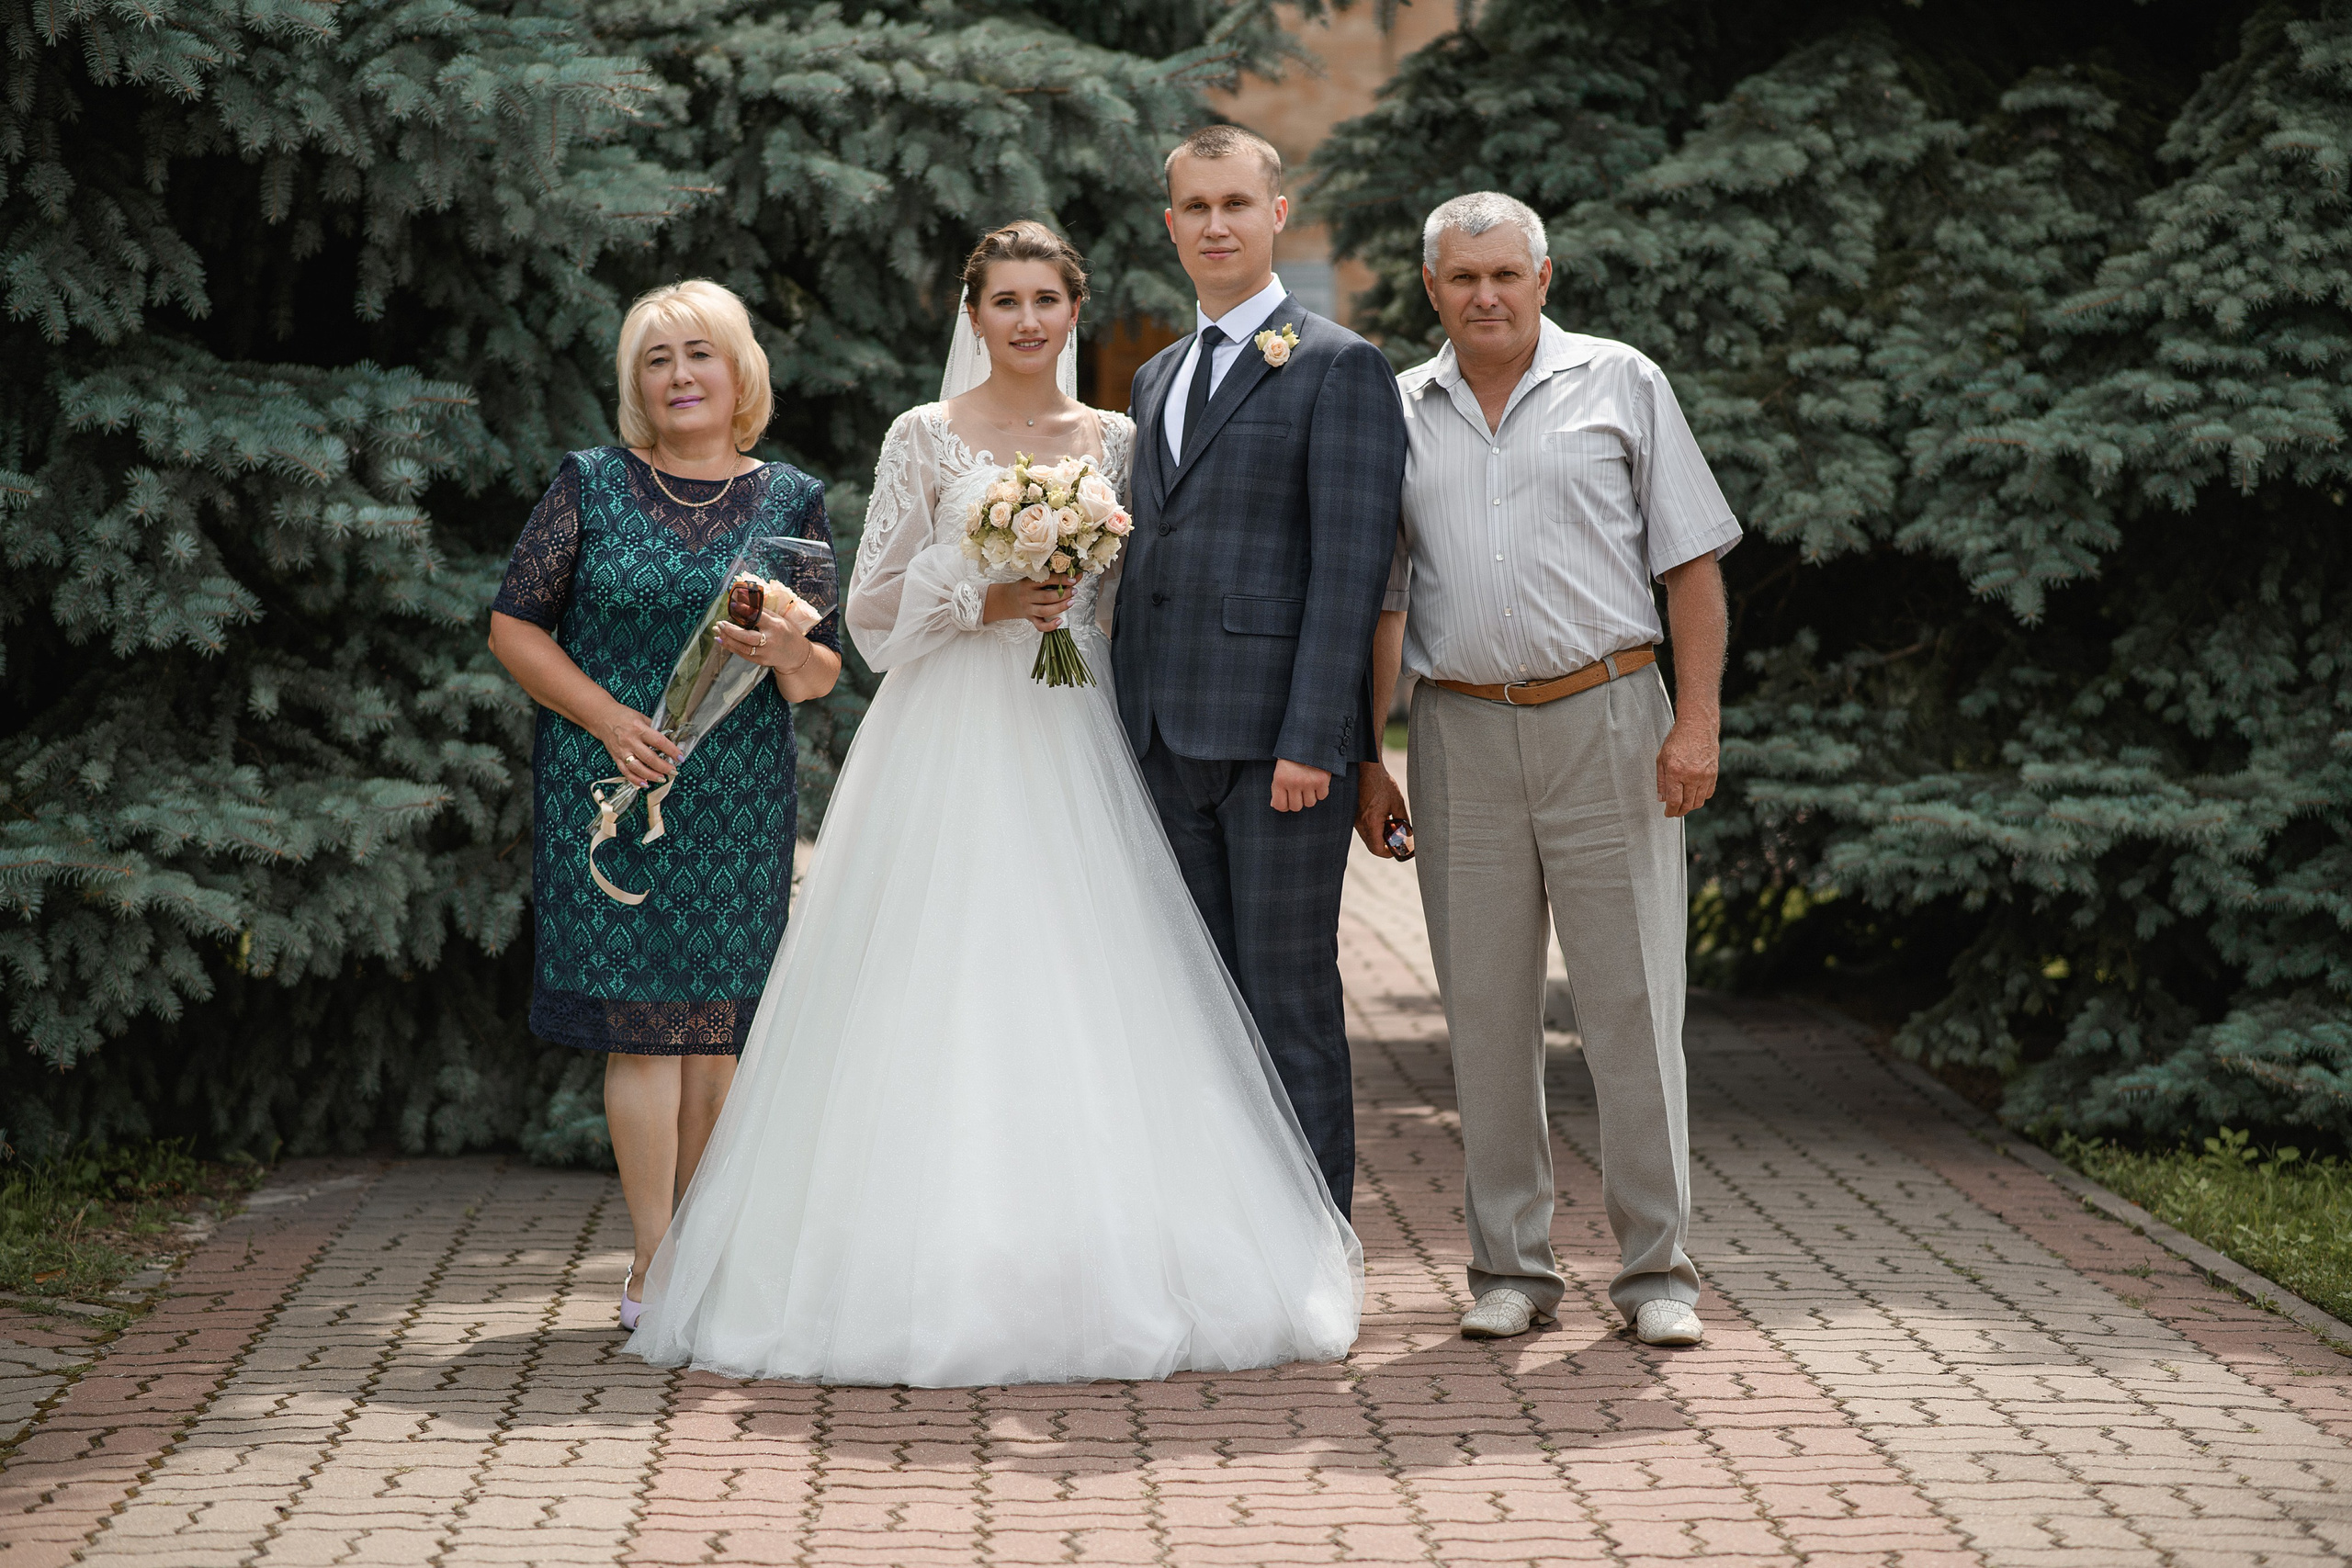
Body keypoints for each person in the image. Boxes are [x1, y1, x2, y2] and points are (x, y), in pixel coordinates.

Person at [624, 221, 1362, 1387]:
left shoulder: (1120, 439)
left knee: (1092, 979)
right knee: (942, 975)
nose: (1025, 319)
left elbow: (1139, 601)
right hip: (949, 732)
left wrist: (1066, 601)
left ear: (1075, 312)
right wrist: (985, 591)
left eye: (1046, 300)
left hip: (1078, 731)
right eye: (1004, 300)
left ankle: (1105, 1252)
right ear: (973, 315)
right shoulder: (924, 436)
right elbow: (867, 620)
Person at [1361, 192, 1736, 1348]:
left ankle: (1655, 1270)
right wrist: (1368, 753)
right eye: (1462, 277)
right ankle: (1510, 1270)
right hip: (1458, 732)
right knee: (1484, 1011)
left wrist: (1697, 725)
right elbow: (1382, 599)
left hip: (1611, 719)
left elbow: (1691, 570)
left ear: (1544, 278)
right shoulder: (1396, 410)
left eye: (1504, 275)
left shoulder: (1622, 382)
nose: (1485, 295)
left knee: (1631, 1003)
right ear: (1433, 289)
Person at [487, 279, 842, 1332]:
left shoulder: (791, 500)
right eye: (657, 359)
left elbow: (818, 675)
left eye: (699, 354)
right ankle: (654, 1262)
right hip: (612, 786)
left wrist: (784, 647)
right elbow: (515, 627)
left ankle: (705, 1243)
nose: (680, 376)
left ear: (740, 371)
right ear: (636, 382)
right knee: (644, 1032)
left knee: (718, 1032)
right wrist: (607, 721)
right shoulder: (590, 486)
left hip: (736, 795)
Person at [1114, 126, 1406, 1219]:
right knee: (1193, 1007)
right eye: (1194, 207)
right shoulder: (1154, 374)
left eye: (1235, 203)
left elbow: (1349, 571)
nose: (1215, 225)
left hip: (1278, 752)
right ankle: (1215, 1240)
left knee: (1287, 1003)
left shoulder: (1339, 364)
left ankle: (1314, 1245)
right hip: (1160, 738)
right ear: (1171, 224)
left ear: (1277, 214)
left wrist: (1310, 740)